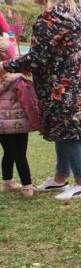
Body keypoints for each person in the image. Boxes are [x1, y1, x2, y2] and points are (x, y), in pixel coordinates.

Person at [0, 0, 81, 200]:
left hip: (63, 86)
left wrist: (5, 66)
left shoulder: (52, 18)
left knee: (68, 133)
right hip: (73, 83)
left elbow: (37, 58)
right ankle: (60, 178)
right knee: (62, 131)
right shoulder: (69, 11)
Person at [0, 33, 35, 197]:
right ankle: (27, 187)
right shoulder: (18, 79)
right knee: (20, 154)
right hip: (17, 124)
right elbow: (28, 101)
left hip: (1, 125)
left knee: (8, 152)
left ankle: (7, 182)